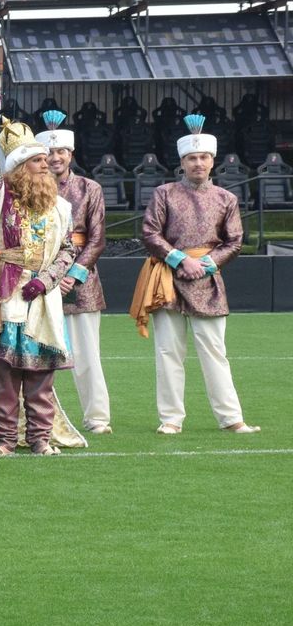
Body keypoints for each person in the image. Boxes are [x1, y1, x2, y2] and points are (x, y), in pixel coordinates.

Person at [0, 90, 76, 457]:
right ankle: (5, 440)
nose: (46, 164)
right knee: (5, 374)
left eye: (47, 159)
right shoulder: (0, 198)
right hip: (5, 295)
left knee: (40, 375)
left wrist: (47, 279)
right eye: (38, 160)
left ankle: (40, 438)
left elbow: (69, 250)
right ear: (20, 168)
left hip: (42, 295)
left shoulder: (62, 208)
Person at [131, 115, 259, 435]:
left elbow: (235, 241)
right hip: (167, 279)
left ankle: (231, 418)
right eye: (192, 158)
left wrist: (205, 264)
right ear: (182, 162)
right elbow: (149, 233)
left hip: (209, 279)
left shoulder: (226, 199)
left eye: (203, 157)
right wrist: (178, 259)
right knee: (168, 352)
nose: (198, 163)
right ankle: (171, 419)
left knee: (215, 351)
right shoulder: (164, 193)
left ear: (212, 161)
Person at [39, 110, 112, 434]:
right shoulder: (31, 190)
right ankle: (43, 419)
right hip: (40, 278)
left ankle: (97, 418)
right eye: (49, 153)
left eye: (61, 152)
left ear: (71, 154)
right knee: (38, 355)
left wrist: (73, 274)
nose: (55, 158)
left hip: (81, 281)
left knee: (87, 353)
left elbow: (97, 238)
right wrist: (49, 275)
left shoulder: (89, 188)